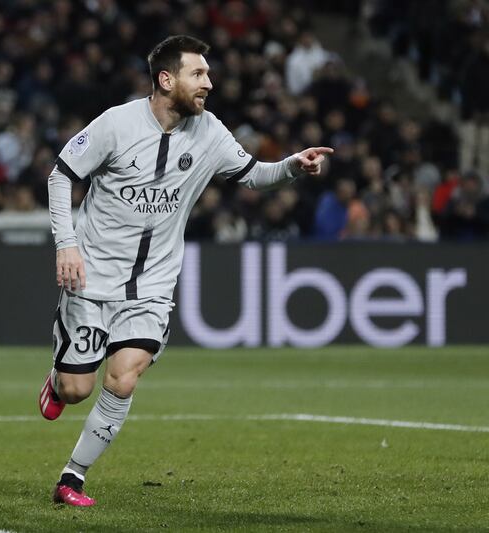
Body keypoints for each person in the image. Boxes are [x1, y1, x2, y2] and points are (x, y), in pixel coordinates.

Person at [40, 35, 332, 507]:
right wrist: (66, 245)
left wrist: (293, 167)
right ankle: (57, 380)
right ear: (166, 79)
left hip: (153, 285)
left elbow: (253, 174)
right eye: (199, 74)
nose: (208, 84)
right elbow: (61, 175)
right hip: (91, 278)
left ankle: (72, 478)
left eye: (208, 75)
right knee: (76, 389)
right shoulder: (116, 124)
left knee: (125, 377)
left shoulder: (210, 132)